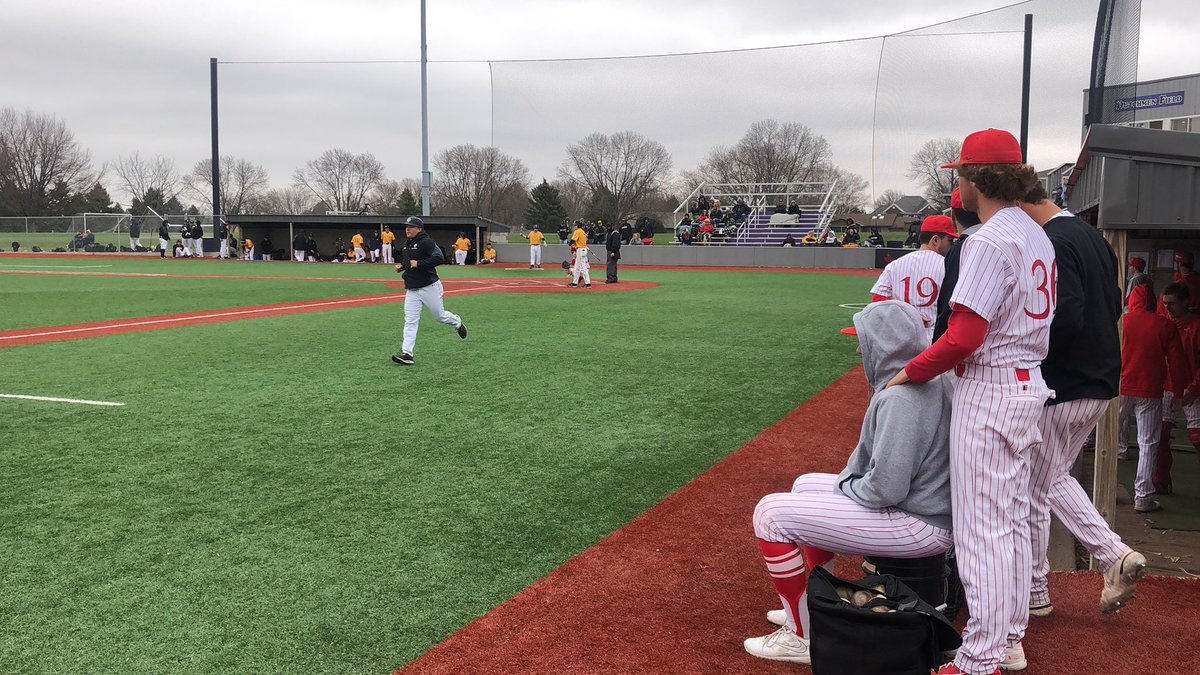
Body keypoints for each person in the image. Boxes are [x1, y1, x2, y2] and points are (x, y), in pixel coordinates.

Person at [885, 129, 1056, 675]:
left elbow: (964, 337)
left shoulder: (985, 240)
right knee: (1010, 522)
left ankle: (980, 657)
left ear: (976, 179)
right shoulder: (1036, 233)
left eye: (960, 174)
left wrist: (909, 372)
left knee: (983, 530)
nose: (957, 185)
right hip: (1027, 383)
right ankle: (1008, 637)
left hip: (992, 386)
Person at [744, 301, 953, 665]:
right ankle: (818, 608)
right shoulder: (927, 381)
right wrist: (849, 484)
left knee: (769, 514)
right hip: (925, 509)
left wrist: (847, 487)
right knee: (804, 484)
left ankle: (801, 637)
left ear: (887, 344)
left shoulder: (900, 399)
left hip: (918, 523)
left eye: (866, 341)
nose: (859, 350)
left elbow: (886, 489)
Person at [1015, 190, 1148, 652]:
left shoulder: (1053, 240)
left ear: (1022, 205)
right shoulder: (1094, 238)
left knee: (1036, 487)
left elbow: (1065, 314)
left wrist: (1029, 357)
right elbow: (1112, 304)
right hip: (1100, 380)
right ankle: (1114, 556)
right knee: (1051, 477)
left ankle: (1036, 592)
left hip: (1065, 383)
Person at [1121, 285, 1186, 514]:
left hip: (1120, 387)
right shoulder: (1165, 326)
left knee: (1112, 441)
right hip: (1150, 390)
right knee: (1148, 444)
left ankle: (1109, 491)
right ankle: (1143, 498)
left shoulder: (1122, 321)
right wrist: (1178, 394)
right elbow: (1177, 364)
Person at [392, 216, 467, 366]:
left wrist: (419, 263)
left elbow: (439, 258)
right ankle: (407, 353)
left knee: (440, 316)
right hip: (412, 288)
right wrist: (403, 267)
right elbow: (410, 262)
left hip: (429, 286)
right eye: (406, 226)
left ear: (419, 229)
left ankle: (457, 322)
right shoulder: (406, 245)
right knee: (410, 321)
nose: (407, 229)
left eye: (411, 226)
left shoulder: (426, 242)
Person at [870, 214, 957, 341]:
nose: (952, 245)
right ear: (936, 240)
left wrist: (905, 316)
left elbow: (878, 301)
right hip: (935, 341)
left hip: (899, 340)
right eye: (950, 240)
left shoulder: (894, 265)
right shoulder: (949, 266)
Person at [1155, 283, 1200, 495]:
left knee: (1197, 438)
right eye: (1165, 304)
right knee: (1161, 436)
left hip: (1193, 389)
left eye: (1172, 304)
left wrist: (1193, 389)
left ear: (1185, 302)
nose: (1168, 308)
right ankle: (1161, 480)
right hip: (1167, 388)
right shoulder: (1163, 325)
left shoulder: (1196, 326)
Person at [569, 220, 591, 288]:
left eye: (575, 225)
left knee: (583, 267)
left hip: (581, 250)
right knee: (577, 267)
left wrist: (570, 245)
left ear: (577, 226)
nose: (574, 226)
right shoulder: (582, 231)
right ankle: (575, 283)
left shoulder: (578, 231)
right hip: (581, 249)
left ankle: (588, 283)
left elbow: (573, 240)